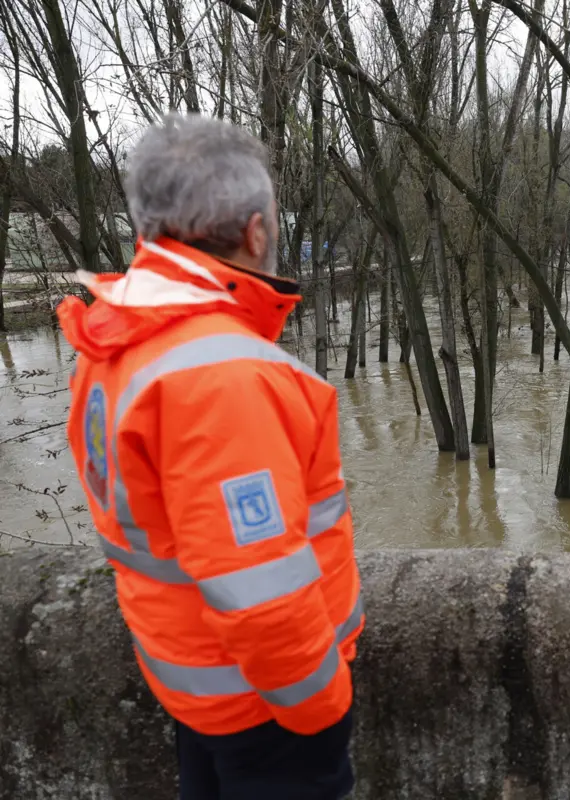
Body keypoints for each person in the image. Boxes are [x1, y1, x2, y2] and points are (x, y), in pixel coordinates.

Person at [58, 114, 363, 800]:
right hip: (267, 709)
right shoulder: (223, 373)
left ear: (149, 229)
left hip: (191, 679)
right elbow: (260, 590)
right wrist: (322, 707)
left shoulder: (117, 342)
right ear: (257, 231)